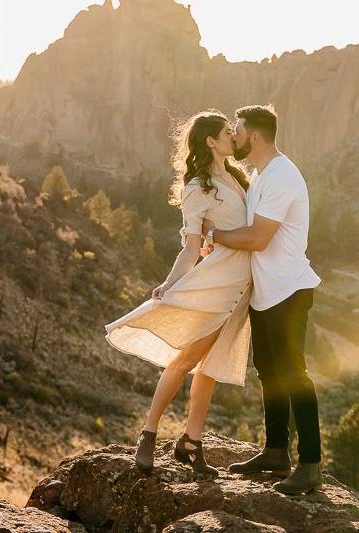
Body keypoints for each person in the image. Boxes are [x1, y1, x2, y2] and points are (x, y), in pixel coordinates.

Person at [104, 110, 252, 476]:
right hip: (216, 284)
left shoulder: (237, 178)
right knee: (188, 359)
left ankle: (190, 441)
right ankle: (149, 433)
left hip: (241, 287)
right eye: (227, 132)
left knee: (210, 366)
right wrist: (170, 284)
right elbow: (191, 247)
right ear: (211, 141)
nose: (234, 136)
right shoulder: (197, 188)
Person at [202, 104, 324, 495]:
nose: (233, 136)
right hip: (266, 292)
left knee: (294, 375)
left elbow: (257, 239)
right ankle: (276, 451)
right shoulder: (261, 174)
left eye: (236, 130)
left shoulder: (283, 177)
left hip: (289, 291)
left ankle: (310, 464)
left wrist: (213, 237)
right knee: (270, 373)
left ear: (253, 136)